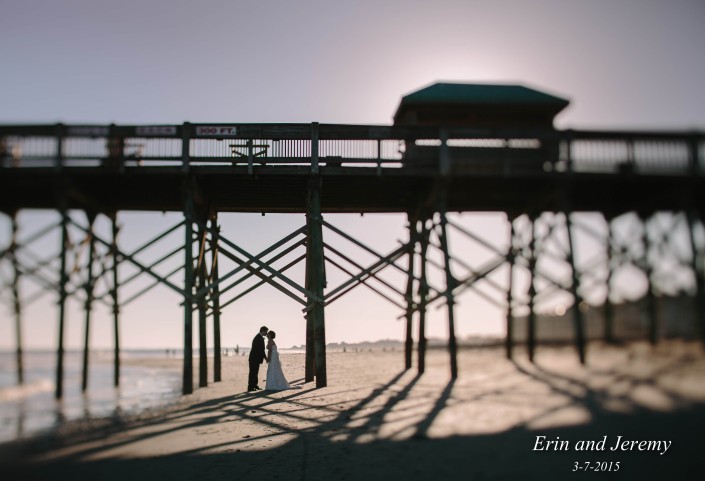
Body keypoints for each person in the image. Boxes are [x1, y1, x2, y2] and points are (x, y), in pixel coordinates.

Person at [248, 326, 268, 391]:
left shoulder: (259, 337)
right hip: (254, 358)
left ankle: (255, 385)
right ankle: (250, 387)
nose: (266, 333)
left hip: (255, 358)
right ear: (262, 331)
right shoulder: (258, 338)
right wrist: (265, 358)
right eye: (266, 331)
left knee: (255, 372)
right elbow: (261, 350)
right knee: (253, 373)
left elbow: (261, 350)